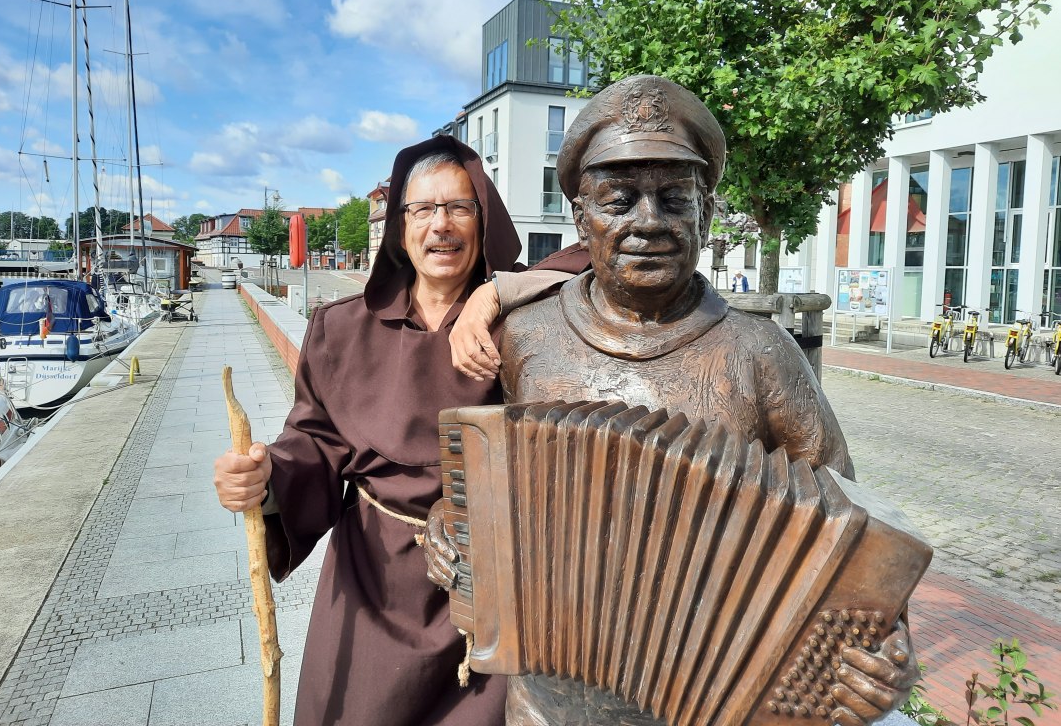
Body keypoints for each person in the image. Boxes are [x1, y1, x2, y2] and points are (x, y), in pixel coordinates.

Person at [433, 75, 919, 726]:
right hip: (548, 702)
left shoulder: (761, 353)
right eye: (620, 199)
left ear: (706, 213)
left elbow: (852, 537)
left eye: (673, 198)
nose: (648, 223)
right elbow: (501, 485)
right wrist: (452, 525)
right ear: (581, 217)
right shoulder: (528, 337)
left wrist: (877, 653)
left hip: (720, 704)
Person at [213, 134, 585, 726]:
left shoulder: (525, 326)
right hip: (372, 583)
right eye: (424, 209)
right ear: (399, 225)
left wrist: (494, 293)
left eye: (459, 207)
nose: (441, 225)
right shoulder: (342, 328)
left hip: (488, 591)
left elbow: (598, 258)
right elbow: (314, 439)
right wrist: (266, 482)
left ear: (483, 220)